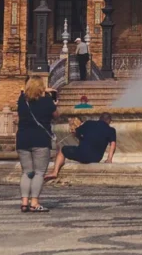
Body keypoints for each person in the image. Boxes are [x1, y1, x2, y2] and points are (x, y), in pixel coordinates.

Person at [16, 76, 58, 212]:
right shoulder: (47, 101)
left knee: (27, 172)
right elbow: (56, 115)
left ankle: (24, 202)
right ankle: (34, 202)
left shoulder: (22, 100)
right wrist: (54, 101)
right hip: (40, 139)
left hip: (22, 138)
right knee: (39, 172)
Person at [45, 112, 116, 182]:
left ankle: (55, 172)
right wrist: (109, 159)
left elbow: (76, 133)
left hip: (82, 154)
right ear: (109, 121)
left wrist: (77, 131)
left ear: (99, 118)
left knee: (62, 150)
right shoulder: (111, 130)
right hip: (96, 158)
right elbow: (113, 144)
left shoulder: (89, 123)